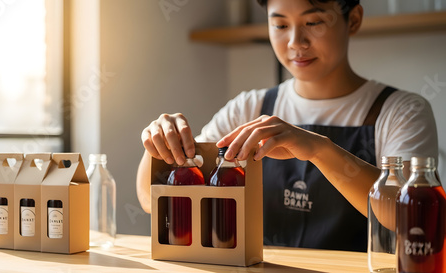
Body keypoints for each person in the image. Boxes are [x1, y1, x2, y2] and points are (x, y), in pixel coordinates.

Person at [136, 0, 438, 252]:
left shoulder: (401, 112)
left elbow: (413, 217)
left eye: (314, 22)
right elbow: (152, 202)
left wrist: (320, 150)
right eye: (280, 25)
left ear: (354, 19)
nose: (296, 42)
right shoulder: (248, 108)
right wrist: (159, 147)